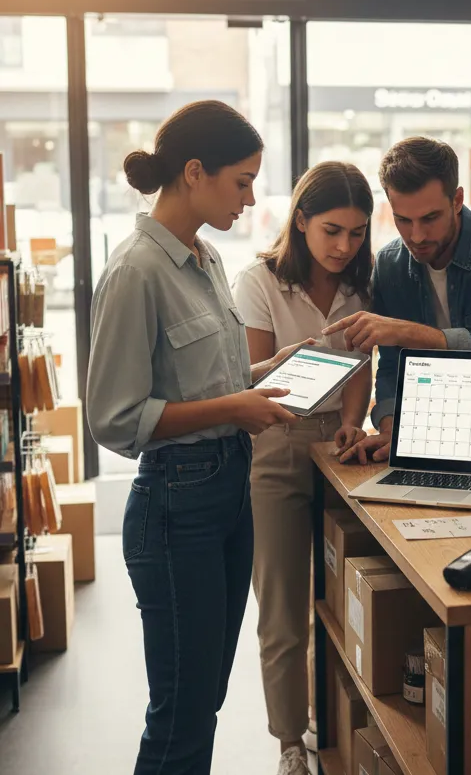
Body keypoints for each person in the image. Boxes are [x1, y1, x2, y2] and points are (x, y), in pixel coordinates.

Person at [87, 101, 304, 775]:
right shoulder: (135, 273)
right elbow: (115, 418)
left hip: (228, 492)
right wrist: (233, 408)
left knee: (204, 696)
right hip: (176, 507)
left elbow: (219, 377)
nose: (251, 196)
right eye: (241, 181)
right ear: (193, 173)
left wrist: (286, 364)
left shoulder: (206, 258)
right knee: (181, 712)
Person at [232, 163, 374, 775]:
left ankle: (336, 720)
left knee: (343, 604)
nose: (345, 247)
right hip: (275, 451)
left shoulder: (363, 288)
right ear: (301, 221)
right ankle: (290, 741)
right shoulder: (259, 281)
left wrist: (353, 419)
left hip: (341, 455)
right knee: (284, 608)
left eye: (359, 233)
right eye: (332, 231)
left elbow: (361, 370)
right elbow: (251, 382)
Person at [324, 136, 471, 464]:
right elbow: (390, 367)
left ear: (457, 200)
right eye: (403, 220)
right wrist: (390, 427)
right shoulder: (390, 264)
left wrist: (408, 334)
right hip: (430, 441)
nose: (416, 236)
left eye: (430, 218)